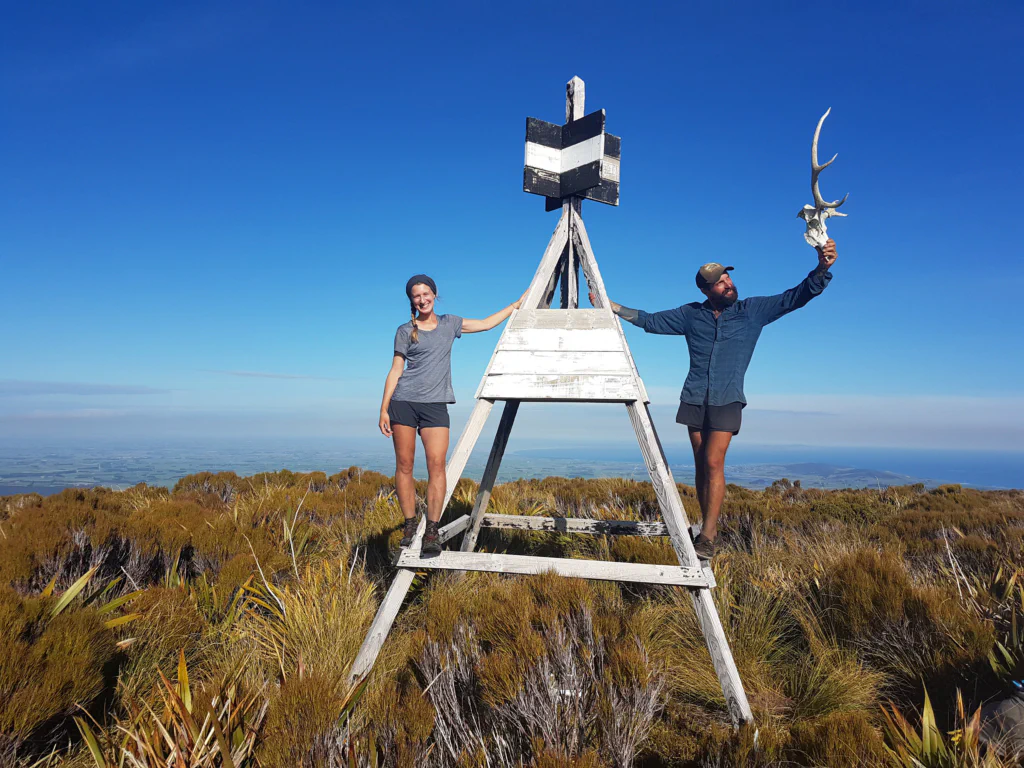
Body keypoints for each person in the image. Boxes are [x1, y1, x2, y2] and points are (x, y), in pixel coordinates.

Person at [593, 239, 838, 561]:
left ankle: (708, 535)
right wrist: (611, 306)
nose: (728, 284)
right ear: (706, 290)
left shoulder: (752, 311)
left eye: (728, 279)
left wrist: (822, 268)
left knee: (712, 462)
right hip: (694, 396)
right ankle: (703, 524)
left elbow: (796, 297)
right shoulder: (691, 315)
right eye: (720, 282)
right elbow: (650, 321)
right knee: (700, 464)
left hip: (728, 399)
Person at [380, 274, 527, 556]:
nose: (422, 299)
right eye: (416, 295)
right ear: (411, 300)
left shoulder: (449, 324)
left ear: (434, 295)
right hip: (403, 402)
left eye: (426, 294)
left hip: (436, 405)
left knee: (437, 465)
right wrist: (384, 408)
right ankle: (410, 524)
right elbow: (396, 369)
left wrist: (515, 305)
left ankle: (431, 530)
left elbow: (484, 324)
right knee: (405, 465)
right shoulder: (404, 331)